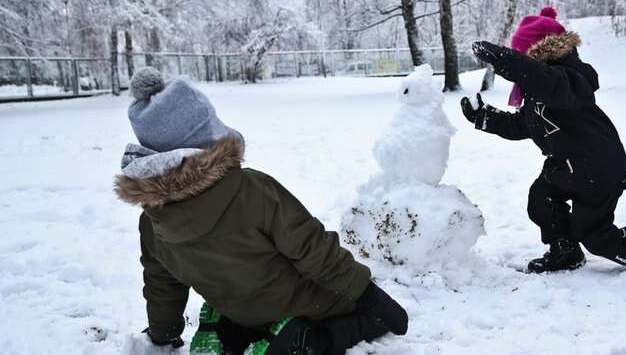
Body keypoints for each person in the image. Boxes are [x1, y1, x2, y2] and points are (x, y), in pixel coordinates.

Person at [115, 67, 407, 354]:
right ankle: (306, 340)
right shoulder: (251, 189)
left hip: (240, 309)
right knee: (373, 318)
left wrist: (162, 333)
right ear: (205, 134)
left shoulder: (152, 219)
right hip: (301, 303)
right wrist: (370, 295)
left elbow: (162, 283)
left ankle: (232, 329)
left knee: (250, 306)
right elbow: (314, 250)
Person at [461, 7, 626, 273]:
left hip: (597, 170)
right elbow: (521, 124)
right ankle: (565, 251)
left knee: (594, 234)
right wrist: (484, 117)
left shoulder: (570, 79)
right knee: (541, 200)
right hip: (564, 166)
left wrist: (505, 60)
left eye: (522, 57)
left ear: (535, 56)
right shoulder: (536, 95)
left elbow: (546, 81)